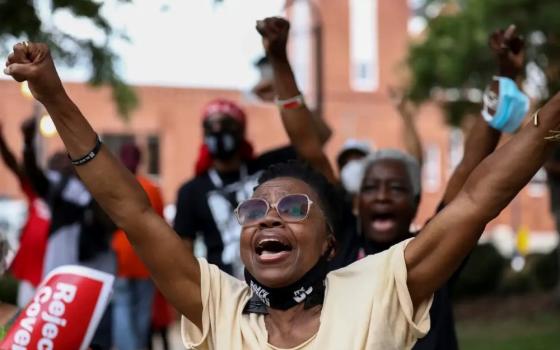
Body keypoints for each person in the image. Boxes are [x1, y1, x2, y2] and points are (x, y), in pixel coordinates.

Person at [7, 35, 559, 349]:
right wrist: (54, 96)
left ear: (328, 241)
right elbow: (131, 208)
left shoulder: (383, 285)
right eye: (255, 209)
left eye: (294, 208)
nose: (268, 218)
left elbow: (475, 196)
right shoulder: (218, 306)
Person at [259, 17, 530, 349]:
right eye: (371, 187)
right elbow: (308, 146)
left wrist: (504, 76)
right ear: (356, 200)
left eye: (397, 188)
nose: (383, 196)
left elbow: (471, 166)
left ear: (417, 201)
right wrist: (279, 60)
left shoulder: (434, 250)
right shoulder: (338, 245)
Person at [111, 142, 161, 350]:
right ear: (140, 161)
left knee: (121, 307)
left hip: (119, 255)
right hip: (145, 257)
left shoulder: (113, 187)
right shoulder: (151, 188)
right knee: (142, 312)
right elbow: (160, 226)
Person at [0, 118, 50, 308]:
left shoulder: (65, 200)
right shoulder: (35, 192)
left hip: (53, 270)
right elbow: (14, 165)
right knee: (25, 316)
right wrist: (2, 142)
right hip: (30, 271)